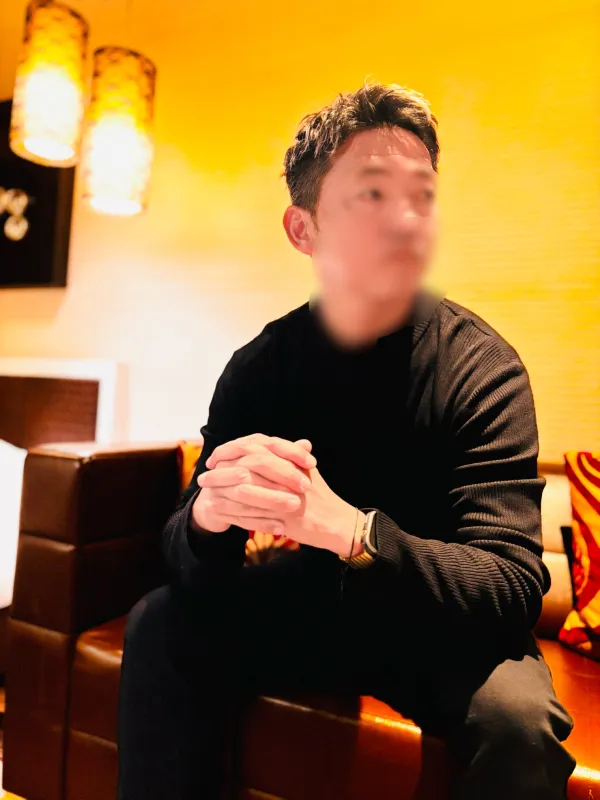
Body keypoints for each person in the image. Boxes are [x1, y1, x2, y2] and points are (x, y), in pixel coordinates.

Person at [117, 82, 576, 799]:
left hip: (440, 626)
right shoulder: (263, 367)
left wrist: (356, 532)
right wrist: (208, 517)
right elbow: (185, 556)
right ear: (303, 229)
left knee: (519, 723)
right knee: (160, 625)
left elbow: (512, 587)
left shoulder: (481, 367)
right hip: (311, 606)